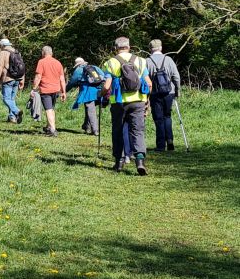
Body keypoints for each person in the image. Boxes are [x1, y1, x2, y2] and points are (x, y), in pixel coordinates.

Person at [101, 37, 151, 175]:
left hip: (119, 102)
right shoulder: (141, 61)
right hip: (138, 101)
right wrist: (147, 101)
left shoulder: (111, 62)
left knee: (118, 131)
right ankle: (140, 161)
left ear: (116, 48)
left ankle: (119, 161)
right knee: (138, 131)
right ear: (129, 47)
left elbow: (106, 85)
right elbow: (149, 83)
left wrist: (101, 94)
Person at [147, 39, 181, 152]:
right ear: (161, 48)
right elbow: (176, 77)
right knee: (167, 116)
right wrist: (177, 91)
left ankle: (161, 145)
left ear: (150, 49)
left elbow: (144, 80)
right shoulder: (169, 60)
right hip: (169, 92)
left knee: (158, 119)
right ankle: (170, 139)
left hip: (155, 94)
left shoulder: (147, 61)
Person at [32, 46, 67, 136]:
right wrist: (63, 92)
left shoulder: (41, 62)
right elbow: (62, 79)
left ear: (43, 53)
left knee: (48, 109)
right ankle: (48, 127)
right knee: (51, 108)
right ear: (51, 53)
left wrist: (34, 88)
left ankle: (52, 129)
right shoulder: (58, 63)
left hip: (45, 89)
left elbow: (38, 76)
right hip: (56, 90)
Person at [66, 57, 105, 135]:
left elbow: (72, 82)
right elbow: (103, 76)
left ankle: (95, 130)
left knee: (91, 110)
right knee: (89, 108)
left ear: (77, 64)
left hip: (88, 91)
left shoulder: (78, 70)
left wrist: (65, 90)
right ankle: (87, 127)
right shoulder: (94, 67)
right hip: (99, 90)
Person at [0, 39, 25, 123]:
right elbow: (22, 67)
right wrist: (22, 79)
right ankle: (12, 118)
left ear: (2, 45)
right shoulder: (17, 52)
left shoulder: (3, 53)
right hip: (17, 78)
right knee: (12, 99)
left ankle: (16, 111)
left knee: (5, 99)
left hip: (7, 79)